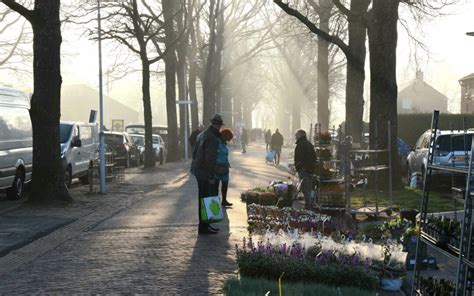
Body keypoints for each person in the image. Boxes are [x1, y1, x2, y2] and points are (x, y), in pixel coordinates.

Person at [191, 114, 223, 235]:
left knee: (203, 199)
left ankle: (205, 224)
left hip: (198, 170)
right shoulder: (213, 139)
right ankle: (204, 226)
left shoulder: (201, 135)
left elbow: (194, 153)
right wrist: (211, 176)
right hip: (205, 172)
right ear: (218, 125)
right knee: (206, 199)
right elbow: (210, 159)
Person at [294, 129, 316, 210]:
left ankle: (308, 206)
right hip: (310, 169)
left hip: (304, 169)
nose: (295, 137)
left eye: (296, 135)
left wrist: (298, 167)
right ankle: (310, 204)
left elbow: (299, 158)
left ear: (300, 135)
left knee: (305, 189)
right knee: (309, 189)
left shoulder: (300, 145)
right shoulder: (310, 144)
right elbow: (314, 157)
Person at [215, 128, 233, 207]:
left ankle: (224, 200)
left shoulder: (224, 144)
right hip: (217, 167)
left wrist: (227, 162)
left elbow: (225, 155)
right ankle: (215, 202)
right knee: (216, 185)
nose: (228, 141)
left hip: (225, 167)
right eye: (228, 139)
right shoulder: (217, 144)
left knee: (225, 185)